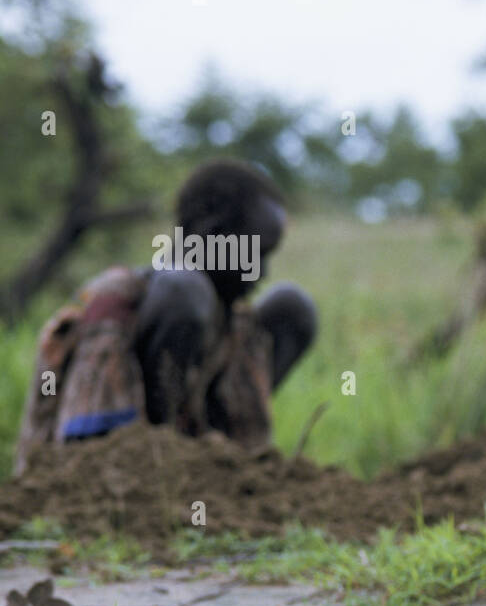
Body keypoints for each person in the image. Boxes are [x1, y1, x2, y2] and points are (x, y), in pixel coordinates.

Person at [13, 159, 316, 475]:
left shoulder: (230, 321)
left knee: (292, 306)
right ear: (215, 235)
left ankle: (211, 465)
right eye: (255, 255)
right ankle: (168, 461)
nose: (262, 273)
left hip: (200, 491)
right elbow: (85, 454)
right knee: (184, 291)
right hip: (100, 488)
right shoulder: (118, 303)